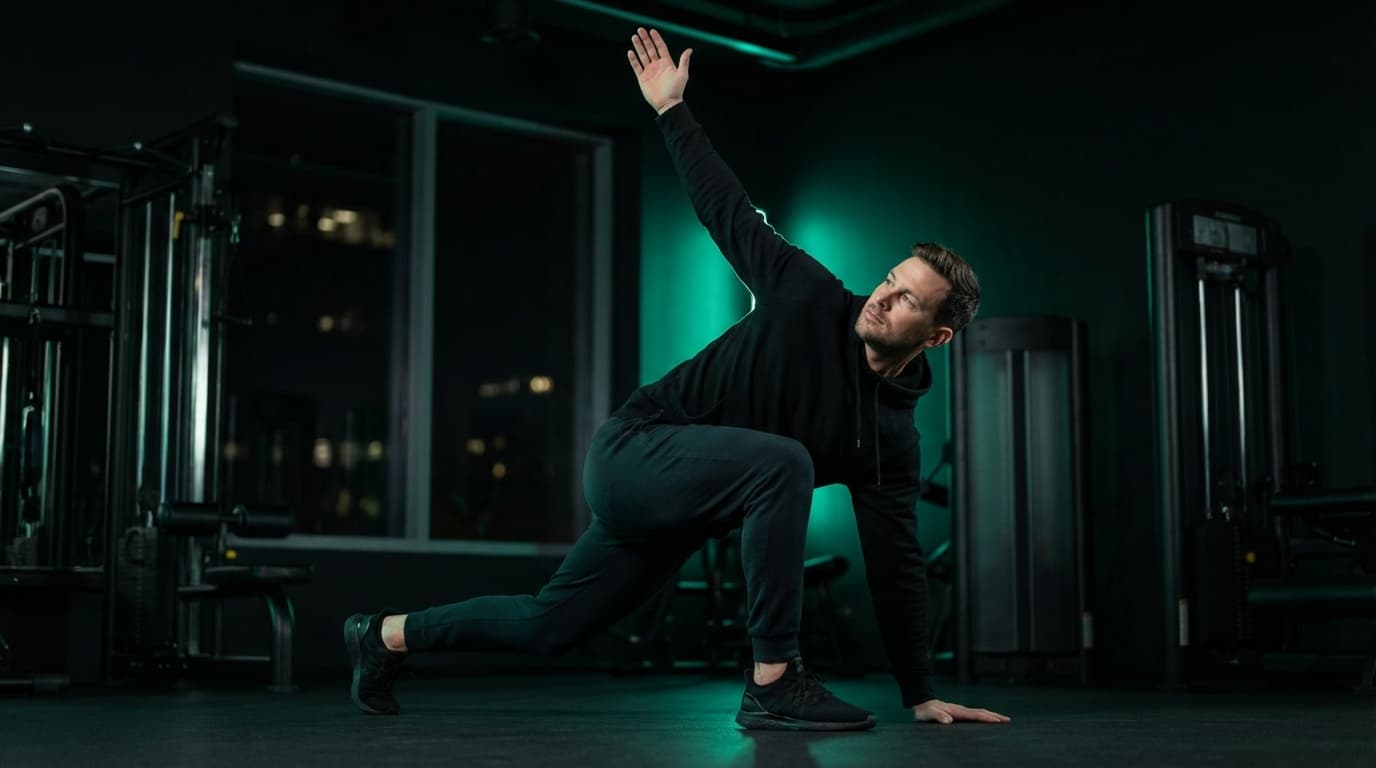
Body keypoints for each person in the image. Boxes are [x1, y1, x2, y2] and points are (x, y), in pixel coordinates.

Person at [345, 27, 1010, 731]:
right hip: (637, 451)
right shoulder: (806, 293)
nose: (882, 295)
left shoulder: (889, 439)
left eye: (906, 297)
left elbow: (896, 562)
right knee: (784, 460)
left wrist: (920, 693)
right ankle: (774, 682)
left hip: (689, 502)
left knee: (551, 626)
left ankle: (380, 635)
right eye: (888, 278)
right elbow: (724, 206)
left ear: (938, 335)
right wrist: (671, 109)